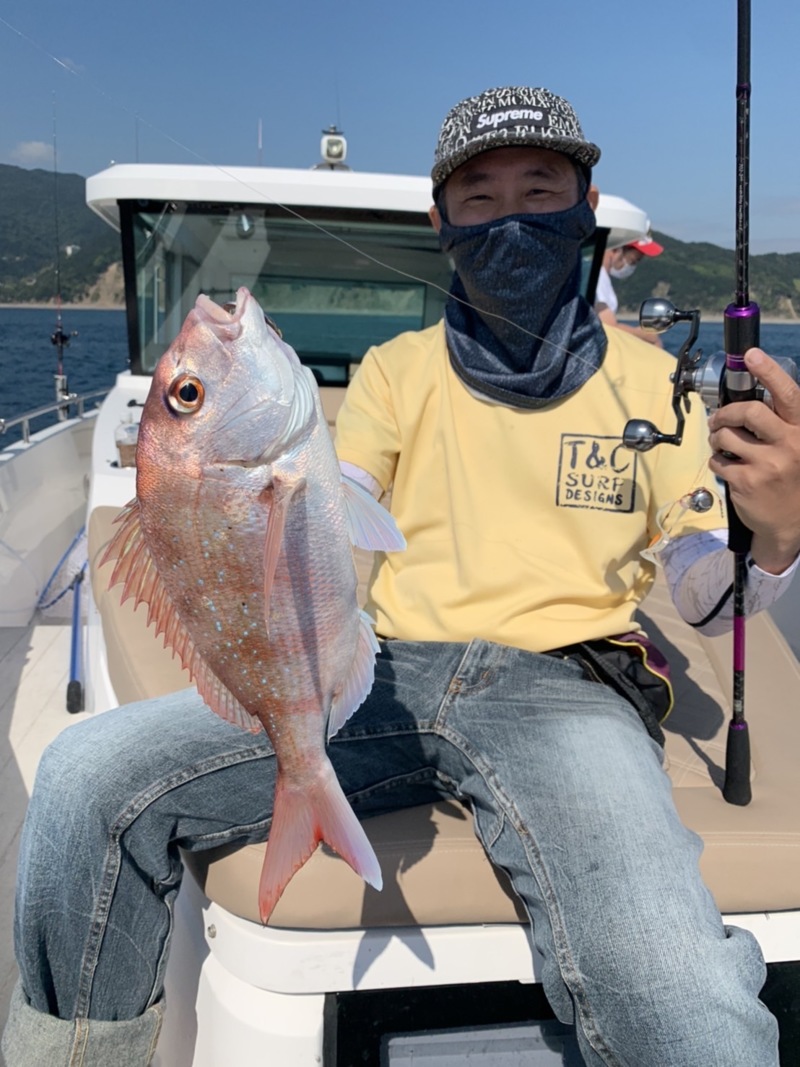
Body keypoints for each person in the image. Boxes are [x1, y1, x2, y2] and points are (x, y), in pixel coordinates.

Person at [4, 85, 800, 1067]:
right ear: (442, 223)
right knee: (84, 776)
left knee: (671, 987)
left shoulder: (655, 388)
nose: (510, 218)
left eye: (539, 189)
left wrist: (773, 535)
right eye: (480, 198)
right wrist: (242, 499)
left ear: (585, 208)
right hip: (384, 671)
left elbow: (700, 592)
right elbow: (339, 497)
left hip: (569, 689)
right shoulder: (394, 369)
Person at [595, 232, 664, 345]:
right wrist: (642, 334)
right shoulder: (598, 279)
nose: (632, 267)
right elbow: (607, 326)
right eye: (633, 261)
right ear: (617, 249)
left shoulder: (600, 277)